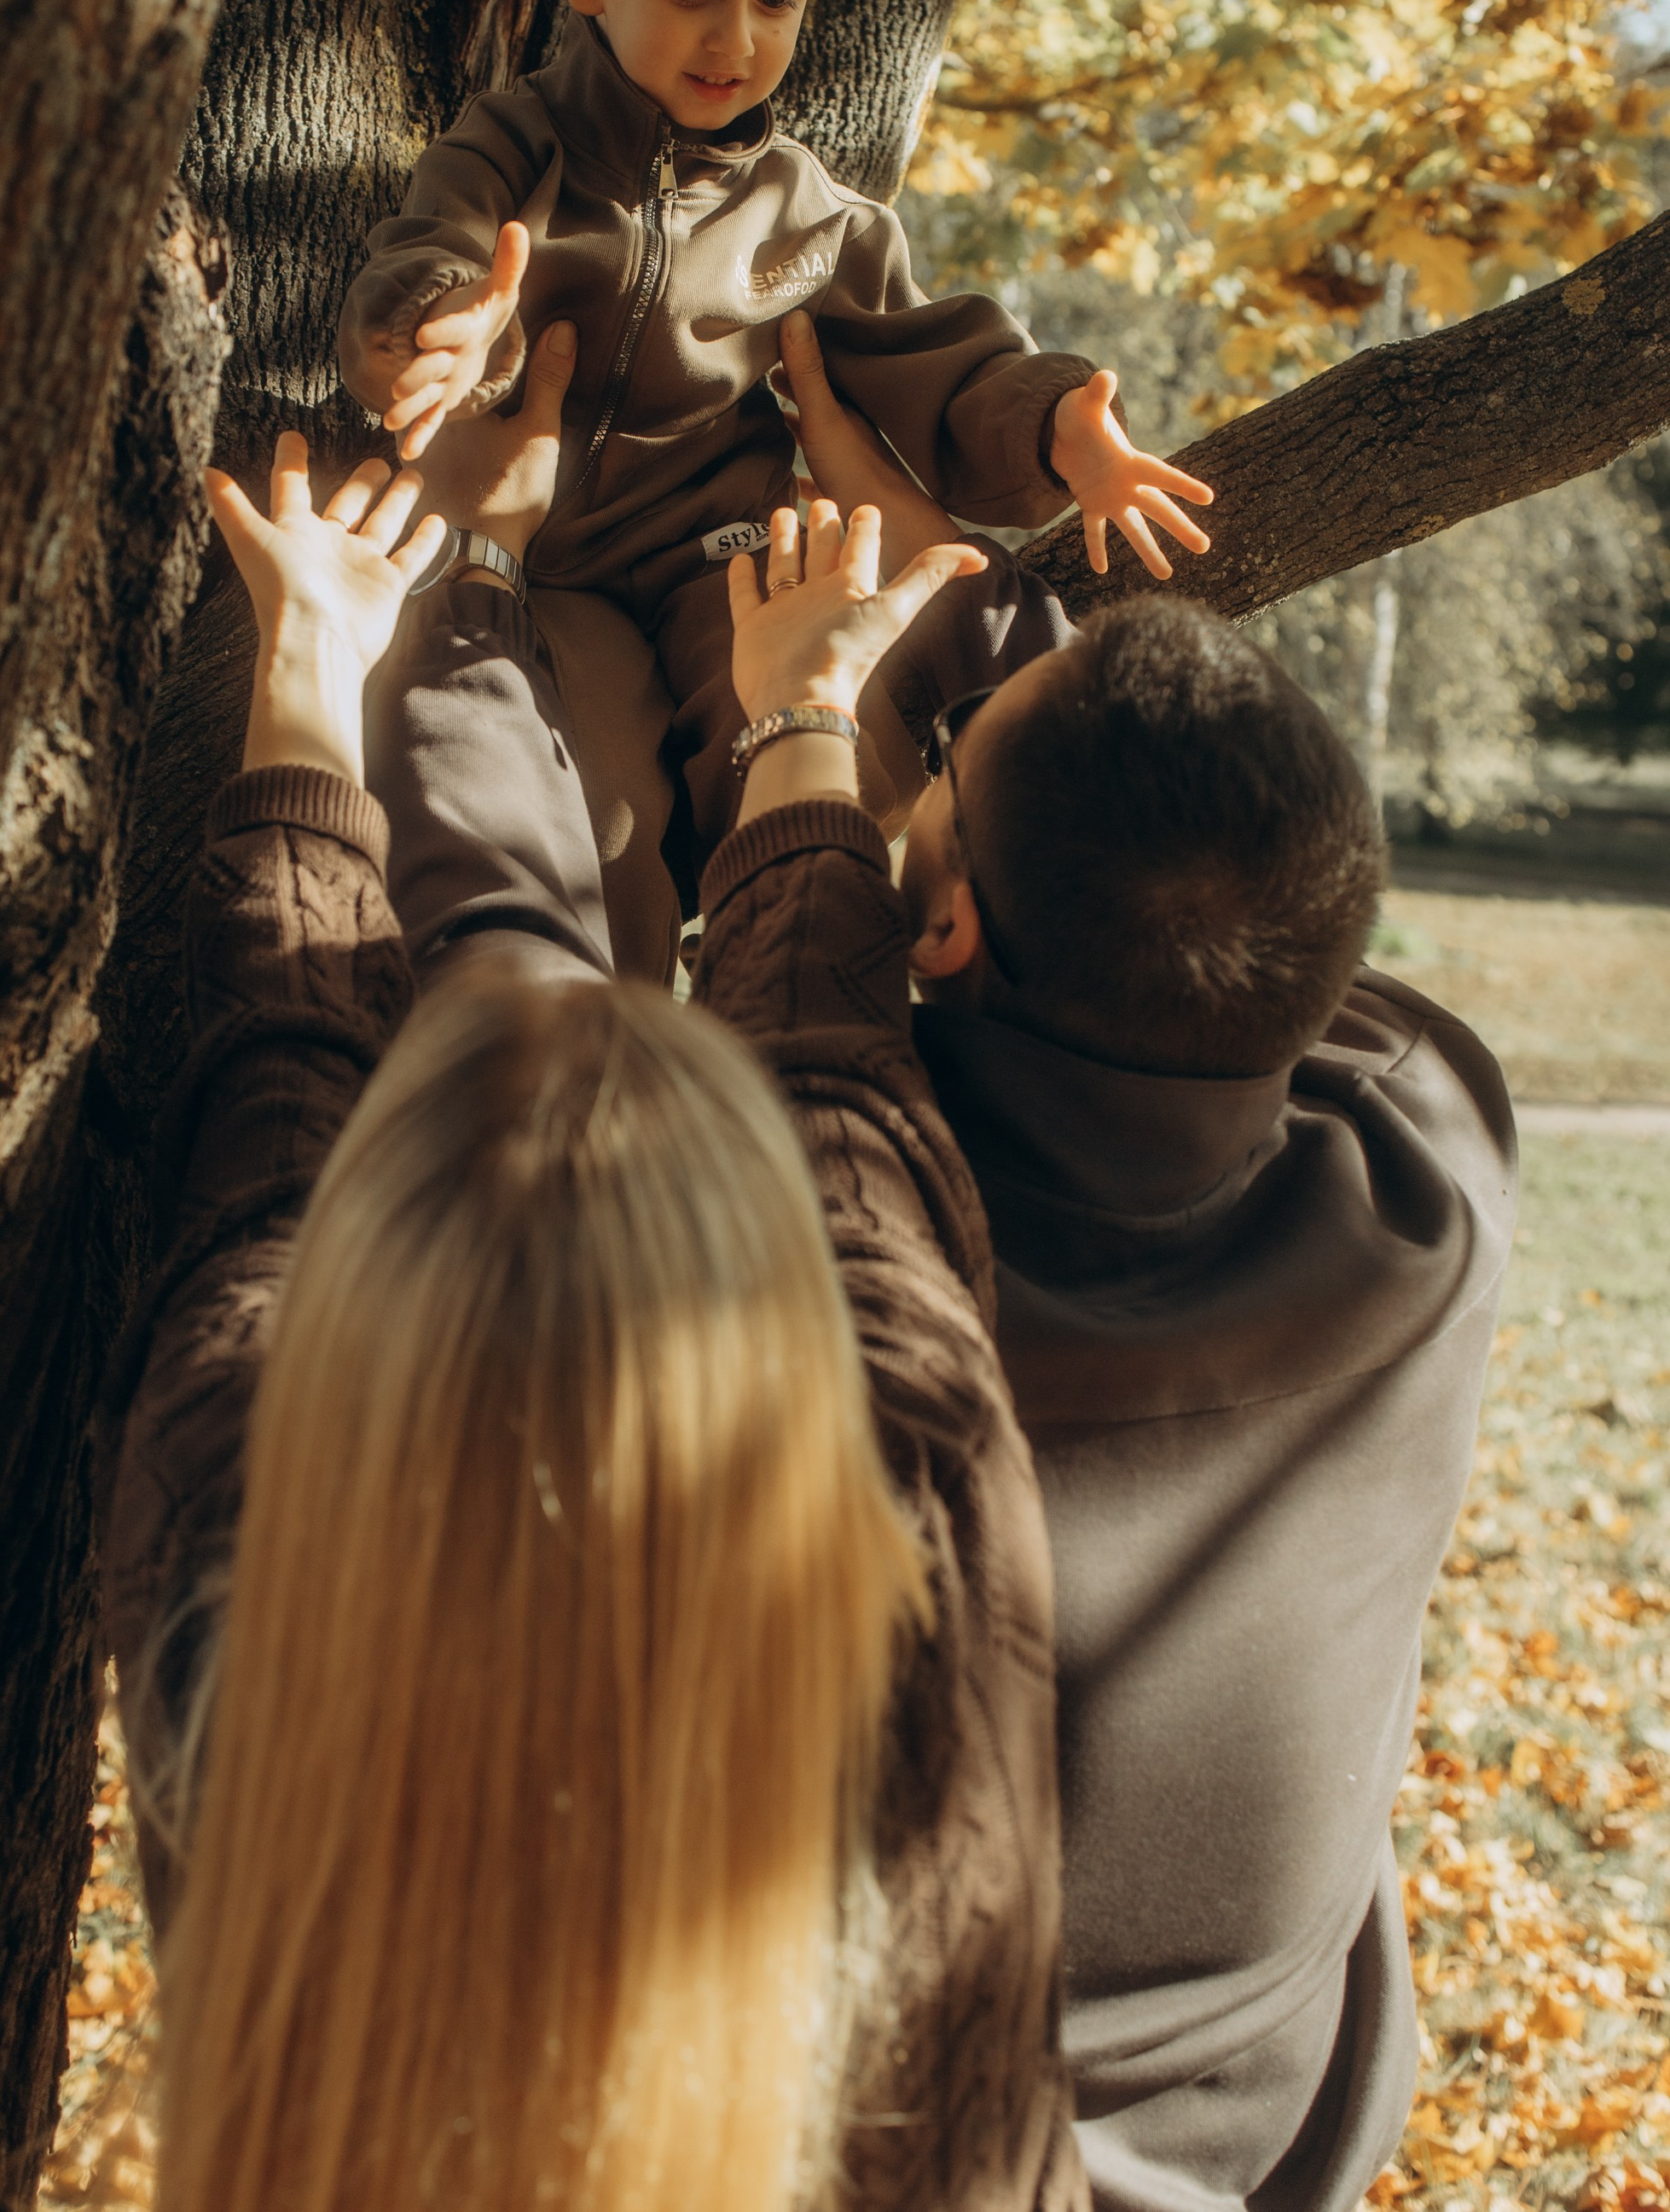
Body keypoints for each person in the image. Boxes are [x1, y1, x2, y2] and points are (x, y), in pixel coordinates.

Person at [96, 352, 1088, 2212]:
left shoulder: (236, 1607)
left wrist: (317, 657)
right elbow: (844, 1104)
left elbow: (272, 1114)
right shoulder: (918, 1621)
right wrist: (804, 713)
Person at [774, 311, 1519, 2212]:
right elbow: (1171, 858)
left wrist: (798, 729)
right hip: (1281, 2145)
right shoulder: (1437, 1169)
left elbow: (814, 1066)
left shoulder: (863, 1299)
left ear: (932, 926)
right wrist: (942, 602)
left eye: (932, 791)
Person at [337, 0, 1212, 899]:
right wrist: (434, 328)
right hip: (552, 573)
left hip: (725, 563)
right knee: (597, 821)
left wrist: (1059, 430)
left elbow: (941, 363)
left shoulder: (811, 217)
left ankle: (787, 983)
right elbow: (430, 251)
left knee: (823, 760)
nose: (734, 39)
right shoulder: (514, 143)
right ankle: (619, 1042)